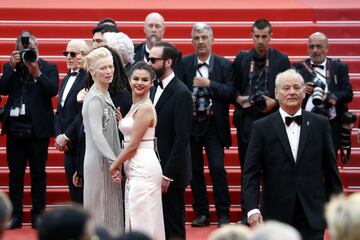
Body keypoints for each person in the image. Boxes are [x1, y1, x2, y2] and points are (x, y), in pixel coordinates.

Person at [242, 69, 343, 240]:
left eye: (297, 87)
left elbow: (331, 171)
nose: (292, 92)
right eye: (286, 88)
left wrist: (339, 211)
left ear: (304, 92)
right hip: (275, 215)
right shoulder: (261, 127)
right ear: (276, 93)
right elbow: (251, 173)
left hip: (313, 213)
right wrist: (252, 208)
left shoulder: (320, 124)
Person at [232, 19, 290, 223]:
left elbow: (288, 89)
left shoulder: (281, 59)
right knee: (248, 170)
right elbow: (233, 88)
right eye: (257, 36)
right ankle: (247, 213)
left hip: (273, 120)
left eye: (264, 36)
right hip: (247, 123)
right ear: (251, 36)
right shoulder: (242, 59)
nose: (260, 41)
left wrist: (274, 102)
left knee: (274, 169)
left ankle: (273, 213)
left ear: (270, 37)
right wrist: (239, 98)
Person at [0, 31, 59, 229]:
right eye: (24, 50)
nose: (28, 54)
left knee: (38, 174)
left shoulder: (48, 67)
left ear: (38, 49)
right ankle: (15, 215)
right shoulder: (12, 68)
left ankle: (38, 216)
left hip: (37, 131)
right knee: (15, 174)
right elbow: (3, 89)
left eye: (31, 50)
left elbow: (52, 90)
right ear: (17, 51)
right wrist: (11, 67)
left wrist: (36, 72)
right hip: (15, 130)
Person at [180, 22, 231, 227]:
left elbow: (230, 93)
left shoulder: (224, 65)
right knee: (194, 171)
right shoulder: (183, 64)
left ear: (212, 39)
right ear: (192, 41)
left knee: (218, 168)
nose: (200, 42)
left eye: (204, 37)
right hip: (191, 124)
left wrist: (210, 84)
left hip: (214, 124)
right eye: (197, 38)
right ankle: (202, 212)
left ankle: (223, 213)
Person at [110, 62, 165, 240]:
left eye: (144, 79)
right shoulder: (136, 106)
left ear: (152, 82)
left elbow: (133, 145)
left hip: (144, 168)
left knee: (143, 219)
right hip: (135, 166)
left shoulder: (146, 107)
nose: (139, 82)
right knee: (137, 215)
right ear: (129, 80)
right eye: (135, 78)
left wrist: (114, 166)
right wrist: (122, 121)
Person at [149, 41, 193, 239]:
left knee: (173, 225)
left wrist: (168, 175)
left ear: (168, 62)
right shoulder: (151, 88)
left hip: (171, 173)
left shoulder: (181, 92)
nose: (149, 63)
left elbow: (182, 138)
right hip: (152, 165)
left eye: (153, 60)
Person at [82, 47, 124, 236]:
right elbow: (96, 134)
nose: (109, 71)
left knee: (110, 208)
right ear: (92, 71)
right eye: (103, 68)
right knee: (101, 209)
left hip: (107, 159)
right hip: (100, 162)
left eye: (111, 67)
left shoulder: (104, 93)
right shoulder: (95, 98)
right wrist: (113, 162)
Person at [293, 32, 353, 157]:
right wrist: (302, 90)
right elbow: (287, 94)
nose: (315, 50)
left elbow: (348, 94)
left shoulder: (339, 67)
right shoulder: (298, 68)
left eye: (319, 46)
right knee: (306, 164)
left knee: (330, 165)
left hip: (332, 125)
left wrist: (331, 97)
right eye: (312, 47)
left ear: (327, 48)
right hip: (305, 125)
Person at [54, 39, 90, 204]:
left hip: (81, 146)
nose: (68, 57)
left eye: (72, 54)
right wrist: (59, 135)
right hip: (68, 149)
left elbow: (83, 114)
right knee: (74, 196)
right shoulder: (67, 77)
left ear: (84, 55)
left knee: (83, 196)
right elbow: (59, 111)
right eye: (66, 53)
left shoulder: (88, 79)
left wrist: (67, 136)